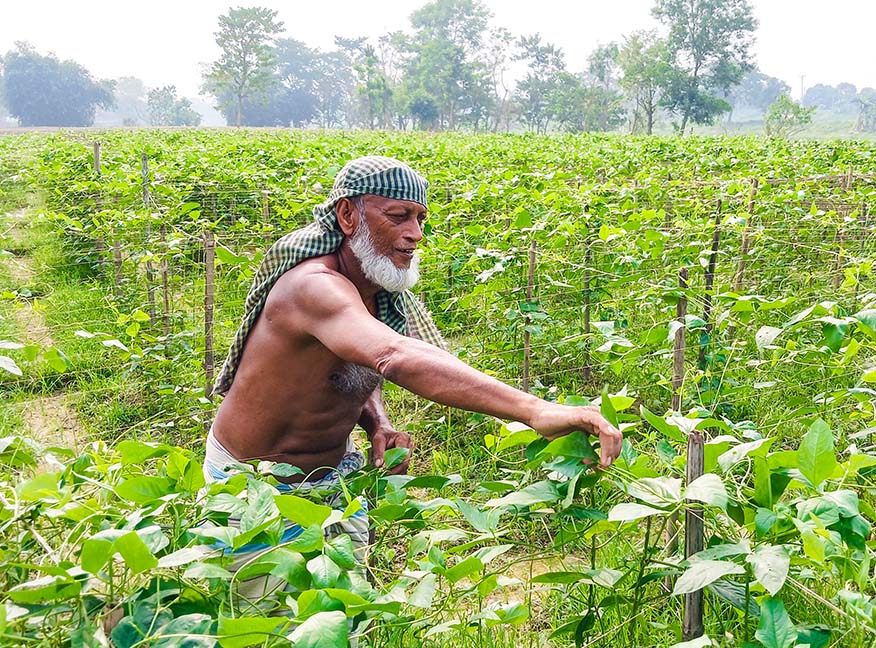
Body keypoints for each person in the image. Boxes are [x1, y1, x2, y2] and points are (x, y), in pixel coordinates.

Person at [206, 156, 622, 567]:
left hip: (332, 482)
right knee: (263, 623)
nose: (415, 234)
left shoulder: (374, 291)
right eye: (398, 216)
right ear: (348, 215)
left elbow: (349, 368)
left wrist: (377, 423)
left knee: (337, 618)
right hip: (255, 492)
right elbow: (392, 355)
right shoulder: (313, 287)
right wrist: (536, 410)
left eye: (420, 219)